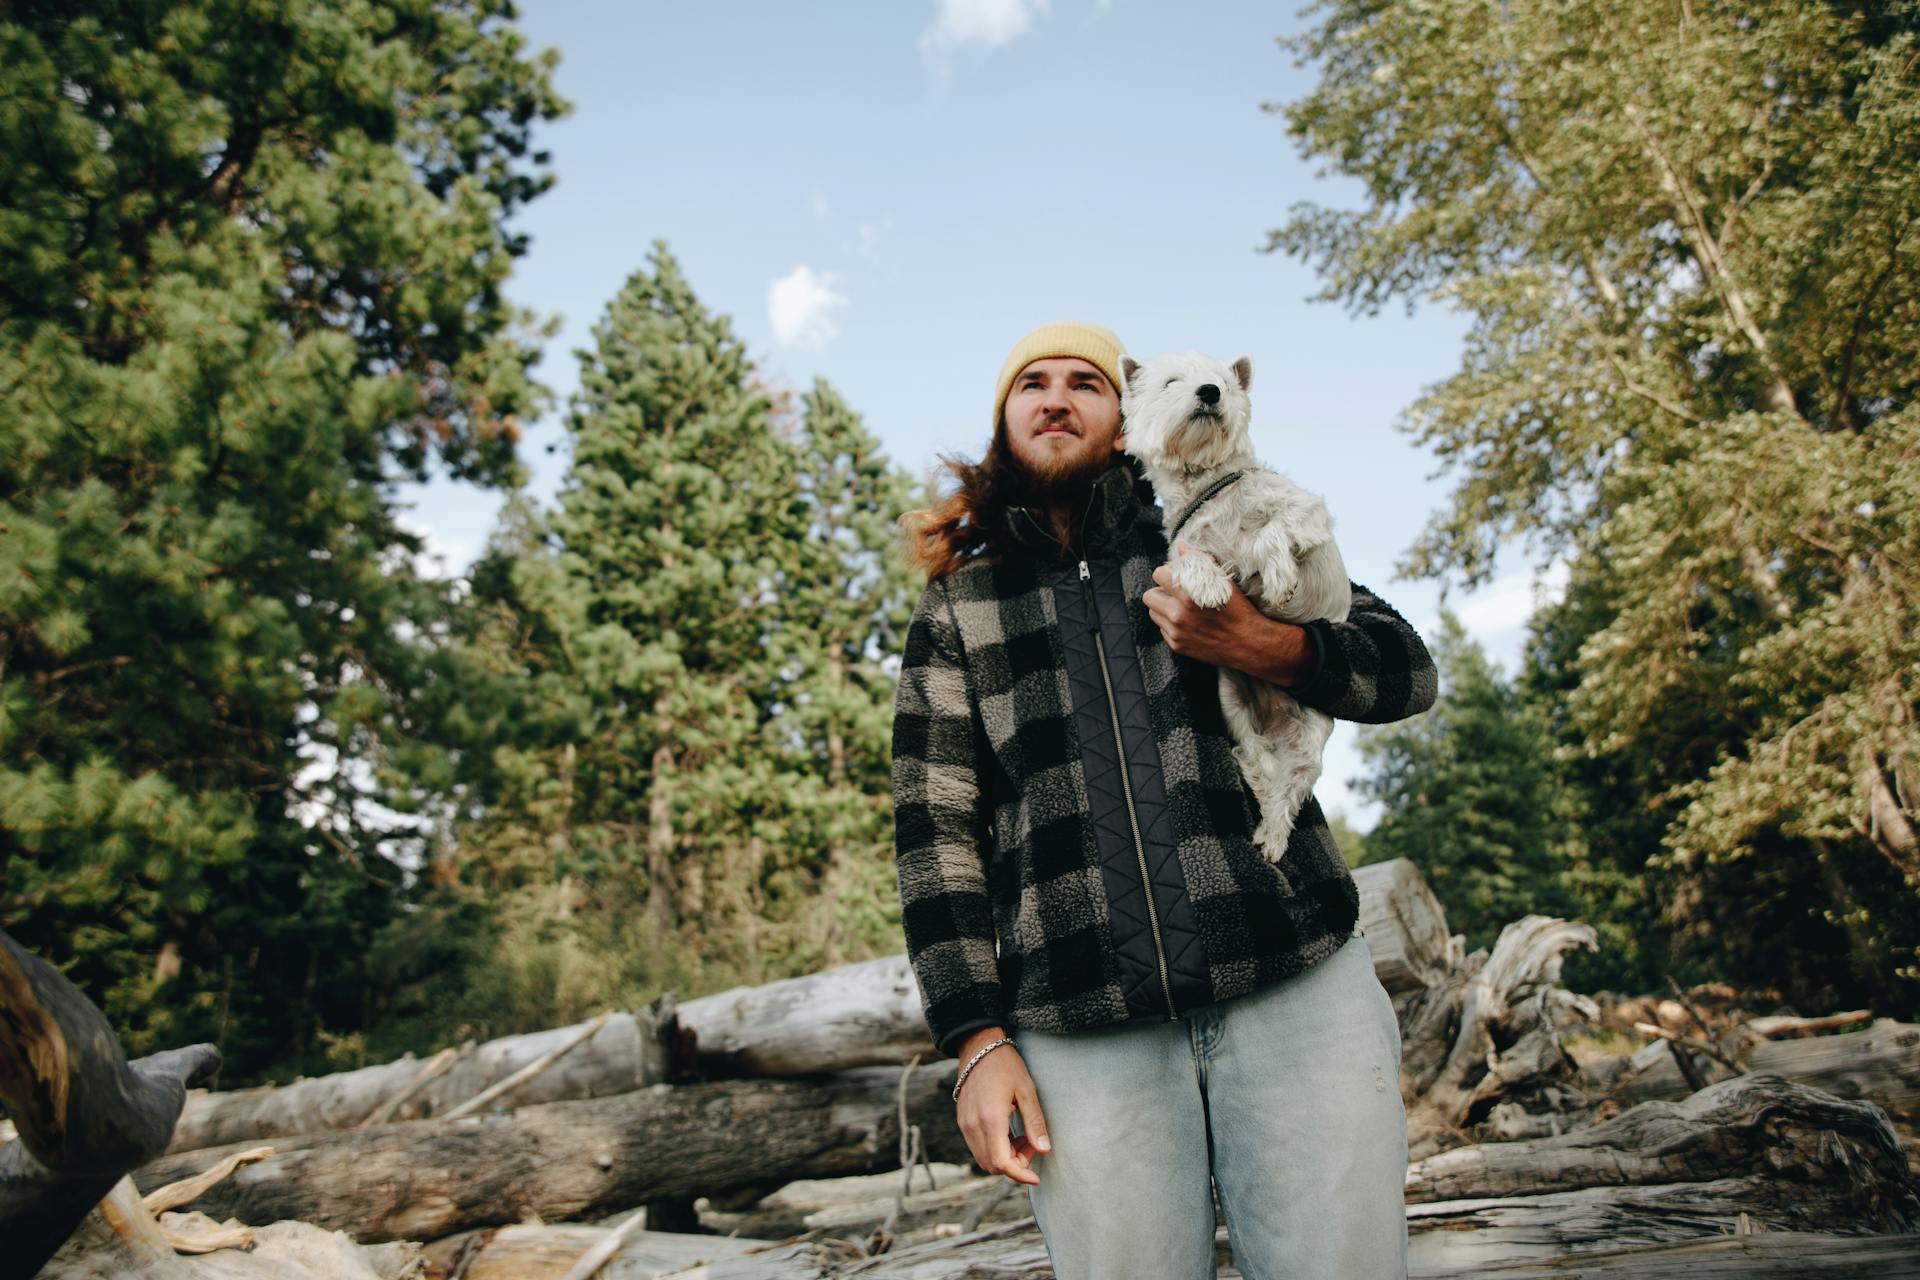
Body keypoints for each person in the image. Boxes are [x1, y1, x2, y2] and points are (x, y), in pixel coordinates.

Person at [890, 321, 1437, 1279]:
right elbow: (935, 835)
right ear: (1005, 422)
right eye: (1033, 384)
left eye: (1085, 383)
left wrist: (1265, 645)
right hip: (1081, 1029)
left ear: (1127, 415)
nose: (1057, 398)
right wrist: (975, 1039)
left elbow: (1406, 671)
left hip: (1296, 983)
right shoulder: (958, 611)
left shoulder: (1217, 526)